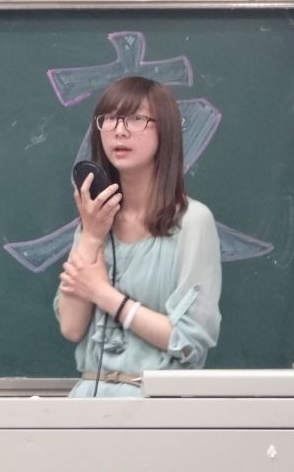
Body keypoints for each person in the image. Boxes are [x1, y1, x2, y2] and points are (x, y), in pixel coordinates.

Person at [55, 76, 221, 397]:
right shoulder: (94, 220)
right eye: (109, 119)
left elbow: (188, 342)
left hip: (154, 404)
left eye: (136, 119)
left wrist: (104, 295)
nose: (120, 130)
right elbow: (71, 328)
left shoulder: (192, 221)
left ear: (165, 131)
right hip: (87, 401)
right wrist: (91, 236)